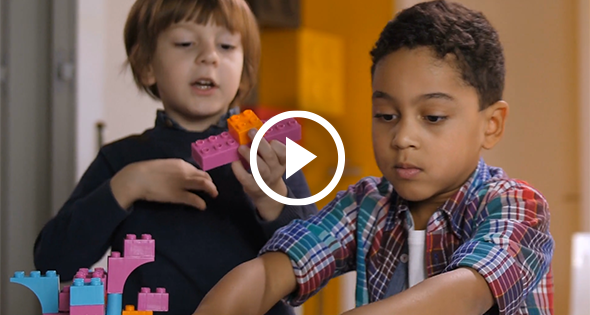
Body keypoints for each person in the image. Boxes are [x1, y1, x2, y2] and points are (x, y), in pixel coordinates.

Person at [192, 1, 554, 315]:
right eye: (386, 115)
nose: (402, 138)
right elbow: (273, 271)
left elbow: (465, 295)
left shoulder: (515, 206)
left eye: (432, 117)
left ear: (491, 125)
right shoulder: (365, 205)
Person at [33, 1, 317, 314]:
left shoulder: (271, 155)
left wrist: (271, 196)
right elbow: (53, 262)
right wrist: (127, 186)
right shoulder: (122, 159)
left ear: (244, 69)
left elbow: (316, 265)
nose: (209, 56)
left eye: (226, 46)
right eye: (185, 43)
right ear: (146, 65)